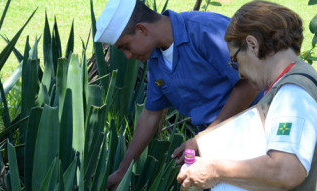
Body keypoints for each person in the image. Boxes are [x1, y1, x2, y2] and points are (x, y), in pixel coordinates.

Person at [94, 0, 263, 189]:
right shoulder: (156, 60)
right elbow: (151, 114)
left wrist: (207, 136)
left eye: (125, 46)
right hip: (216, 148)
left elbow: (251, 83)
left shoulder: (205, 31)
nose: (127, 55)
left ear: (142, 29)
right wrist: (123, 170)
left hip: (257, 137)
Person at [177, 1, 317, 190]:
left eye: (235, 60)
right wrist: (203, 140)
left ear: (252, 44)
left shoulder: (293, 94)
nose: (239, 73)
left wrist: (214, 170)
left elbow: (286, 171)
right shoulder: (304, 78)